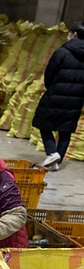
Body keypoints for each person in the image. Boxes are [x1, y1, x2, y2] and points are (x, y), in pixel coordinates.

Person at [33, 22, 84, 171]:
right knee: (65, 129)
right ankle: (56, 161)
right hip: (77, 98)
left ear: (74, 34)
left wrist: (51, 87)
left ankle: (52, 152)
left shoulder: (62, 52)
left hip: (56, 94)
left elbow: (49, 74)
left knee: (43, 123)